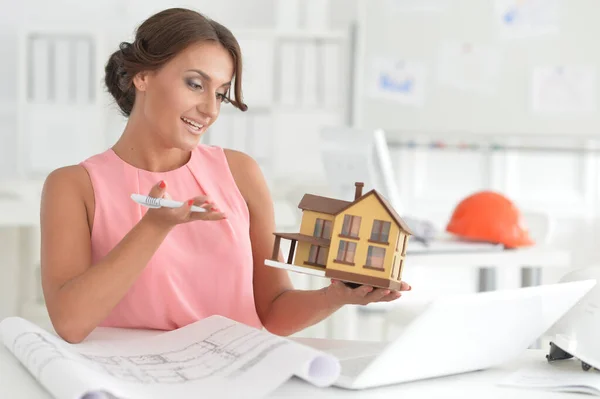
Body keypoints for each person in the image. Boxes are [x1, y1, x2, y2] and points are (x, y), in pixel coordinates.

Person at [39, 7, 410, 344]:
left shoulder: (239, 172)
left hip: (235, 374)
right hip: (133, 380)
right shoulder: (74, 186)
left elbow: (273, 311)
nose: (209, 109)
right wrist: (152, 229)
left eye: (220, 93)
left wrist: (336, 296)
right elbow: (70, 323)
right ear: (143, 77)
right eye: (195, 84)